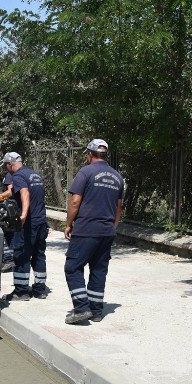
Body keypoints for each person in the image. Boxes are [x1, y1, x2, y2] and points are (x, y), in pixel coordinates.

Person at [63, 139, 125, 325]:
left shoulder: (86, 172)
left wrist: (68, 224)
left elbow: (75, 201)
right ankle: (96, 311)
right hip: (107, 231)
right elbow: (119, 206)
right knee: (98, 269)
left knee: (72, 267)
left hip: (86, 229)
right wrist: (112, 226)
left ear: (90, 154)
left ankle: (81, 308)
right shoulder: (117, 177)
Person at [4, 152, 49, 300]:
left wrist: (23, 215)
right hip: (41, 221)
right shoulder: (34, 175)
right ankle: (40, 289)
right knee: (39, 255)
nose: (6, 168)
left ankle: (21, 291)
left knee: (21, 254)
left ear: (11, 163)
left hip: (28, 223)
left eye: (6, 165)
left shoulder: (18, 176)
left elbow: (25, 193)